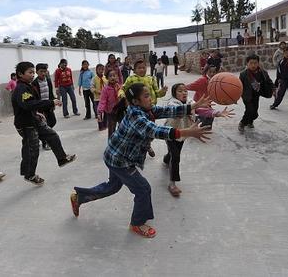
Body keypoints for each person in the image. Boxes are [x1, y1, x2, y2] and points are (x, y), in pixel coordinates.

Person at [69, 83, 213, 238]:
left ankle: (79, 197)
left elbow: (167, 110)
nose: (150, 98)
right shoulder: (136, 116)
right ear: (135, 101)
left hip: (115, 155)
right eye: (146, 96)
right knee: (143, 189)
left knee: (112, 187)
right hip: (120, 161)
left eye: (149, 94)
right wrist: (187, 132)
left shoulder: (146, 109)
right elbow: (156, 131)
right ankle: (137, 223)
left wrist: (194, 105)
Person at [12, 61, 77, 186]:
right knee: (32, 150)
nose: (32, 75)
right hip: (26, 124)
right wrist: (51, 103)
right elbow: (28, 104)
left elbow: (32, 104)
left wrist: (36, 113)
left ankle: (62, 158)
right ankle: (29, 174)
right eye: (30, 72)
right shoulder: (21, 88)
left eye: (33, 72)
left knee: (52, 135)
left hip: (33, 119)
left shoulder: (28, 85)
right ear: (20, 74)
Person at [164, 83, 233, 197]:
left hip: (184, 132)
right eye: (180, 91)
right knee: (176, 157)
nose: (184, 93)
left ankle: (167, 159)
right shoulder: (172, 103)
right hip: (170, 133)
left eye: (185, 90)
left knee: (173, 153)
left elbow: (201, 110)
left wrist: (217, 113)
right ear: (174, 94)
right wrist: (195, 106)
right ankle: (172, 183)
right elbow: (179, 111)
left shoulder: (191, 102)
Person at [119, 59, 167, 158]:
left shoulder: (151, 79)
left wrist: (162, 91)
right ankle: (138, 147)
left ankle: (147, 145)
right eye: (139, 68)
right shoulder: (130, 79)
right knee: (137, 130)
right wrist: (122, 96)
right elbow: (123, 89)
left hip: (150, 109)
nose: (142, 70)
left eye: (144, 67)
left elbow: (157, 93)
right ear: (134, 70)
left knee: (149, 130)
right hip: (136, 109)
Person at [238, 54, 274, 132]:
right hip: (246, 95)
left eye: (255, 63)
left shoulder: (263, 72)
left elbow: (269, 81)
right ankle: (242, 123)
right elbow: (238, 86)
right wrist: (235, 96)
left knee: (255, 112)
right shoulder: (243, 74)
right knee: (250, 110)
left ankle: (250, 121)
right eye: (251, 63)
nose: (253, 65)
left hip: (256, 95)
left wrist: (274, 89)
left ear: (258, 63)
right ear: (247, 64)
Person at [32, 63, 57, 150]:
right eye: (41, 71)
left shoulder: (48, 80)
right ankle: (45, 142)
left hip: (48, 106)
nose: (43, 73)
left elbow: (50, 93)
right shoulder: (34, 83)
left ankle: (42, 136)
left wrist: (53, 102)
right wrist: (37, 110)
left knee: (52, 121)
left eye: (45, 71)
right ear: (37, 72)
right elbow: (34, 98)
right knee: (44, 125)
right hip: (40, 107)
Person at [97, 69, 121, 138]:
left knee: (122, 127)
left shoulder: (118, 86)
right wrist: (100, 111)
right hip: (111, 112)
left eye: (114, 75)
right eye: (110, 76)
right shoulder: (105, 89)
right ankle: (111, 143)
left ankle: (120, 142)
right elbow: (102, 101)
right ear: (107, 78)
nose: (113, 77)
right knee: (111, 129)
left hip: (120, 111)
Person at [91, 64, 107, 130]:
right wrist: (96, 91)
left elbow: (108, 86)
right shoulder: (94, 79)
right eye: (99, 69)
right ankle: (100, 126)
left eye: (102, 69)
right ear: (96, 70)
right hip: (97, 99)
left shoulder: (105, 78)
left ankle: (105, 124)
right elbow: (91, 87)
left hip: (105, 99)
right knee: (99, 113)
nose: (101, 71)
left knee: (106, 112)